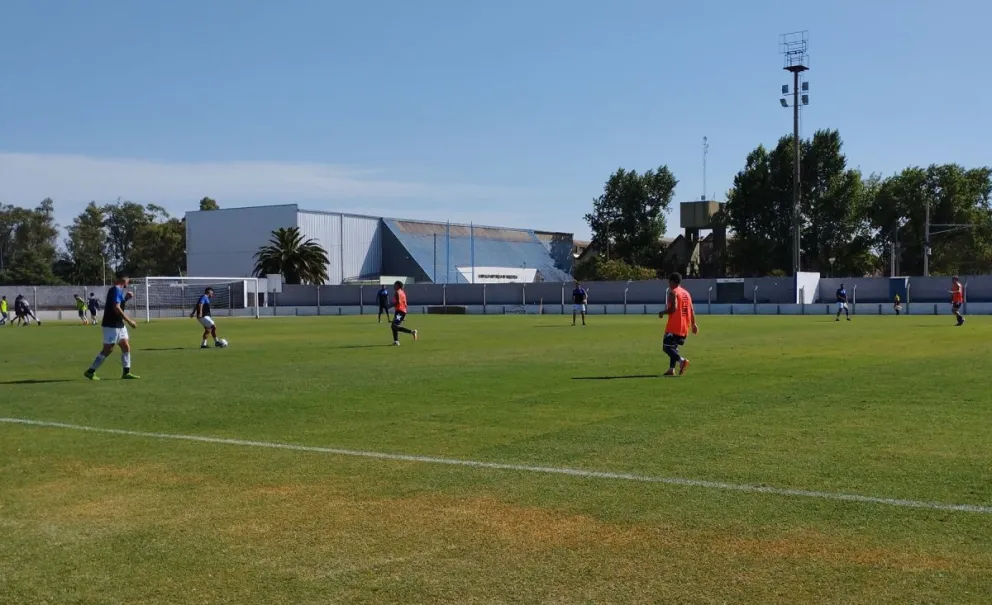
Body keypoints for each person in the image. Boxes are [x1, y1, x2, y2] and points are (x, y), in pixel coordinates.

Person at [84, 273, 139, 380]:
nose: (128, 283)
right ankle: (90, 371)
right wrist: (129, 321)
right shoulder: (116, 290)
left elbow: (118, 304)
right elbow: (116, 308)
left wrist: (126, 299)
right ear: (124, 281)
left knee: (126, 346)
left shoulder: (118, 290)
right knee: (108, 349)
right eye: (128, 281)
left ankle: (126, 373)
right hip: (111, 325)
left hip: (119, 324)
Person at [658, 273, 698, 376]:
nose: (669, 285)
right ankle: (671, 369)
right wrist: (694, 324)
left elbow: (673, 309)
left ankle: (682, 361)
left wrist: (662, 312)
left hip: (674, 326)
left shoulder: (673, 293)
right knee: (673, 348)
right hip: (684, 327)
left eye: (669, 282)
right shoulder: (686, 293)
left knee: (666, 347)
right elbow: (691, 310)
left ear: (672, 282)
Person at [389, 281, 418, 346]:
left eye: (395, 285)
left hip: (400, 311)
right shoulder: (402, 292)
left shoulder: (397, 292)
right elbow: (405, 304)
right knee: (394, 326)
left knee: (394, 325)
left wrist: (389, 306)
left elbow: (398, 302)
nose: (394, 286)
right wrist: (404, 313)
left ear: (397, 286)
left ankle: (412, 332)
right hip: (401, 311)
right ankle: (396, 341)